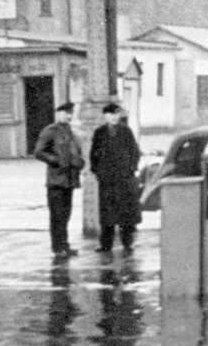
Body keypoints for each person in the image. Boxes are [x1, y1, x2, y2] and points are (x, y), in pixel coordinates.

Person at [89, 102, 141, 253]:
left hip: (124, 179)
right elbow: (94, 155)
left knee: (126, 213)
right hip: (107, 181)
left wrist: (131, 169)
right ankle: (106, 245)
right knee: (107, 215)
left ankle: (127, 243)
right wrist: (98, 173)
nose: (114, 117)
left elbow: (134, 152)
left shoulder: (126, 131)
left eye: (117, 114)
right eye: (111, 114)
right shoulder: (99, 132)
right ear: (105, 116)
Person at [34, 102, 84, 258]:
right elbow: (39, 152)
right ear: (58, 113)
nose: (68, 116)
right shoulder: (50, 131)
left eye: (70, 113)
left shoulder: (72, 133)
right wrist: (56, 161)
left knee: (66, 215)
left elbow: (77, 153)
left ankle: (65, 245)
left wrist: (80, 163)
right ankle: (57, 248)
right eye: (65, 113)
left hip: (69, 180)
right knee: (57, 216)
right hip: (56, 180)